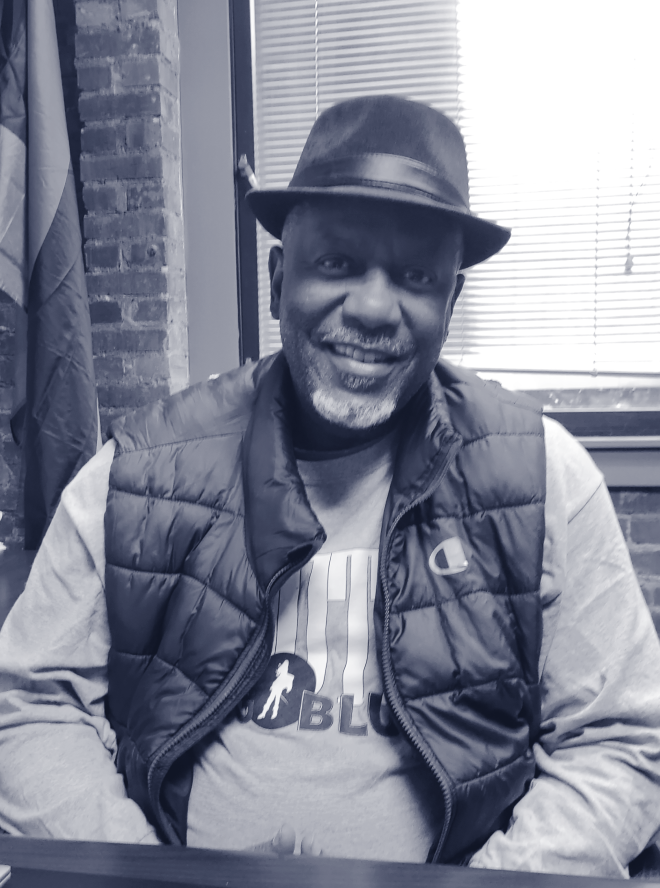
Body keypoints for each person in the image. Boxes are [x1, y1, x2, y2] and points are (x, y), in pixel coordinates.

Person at [0, 95, 659, 877]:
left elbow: (618, 739)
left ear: (449, 302)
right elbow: (27, 704)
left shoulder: (542, 476)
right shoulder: (141, 471)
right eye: (338, 263)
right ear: (280, 278)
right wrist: (152, 876)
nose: (375, 308)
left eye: (415, 276)